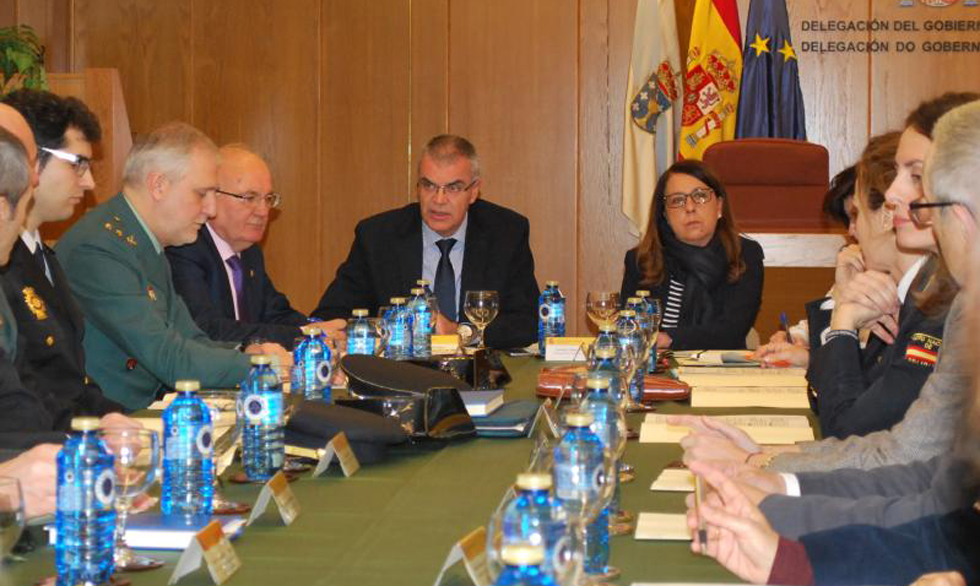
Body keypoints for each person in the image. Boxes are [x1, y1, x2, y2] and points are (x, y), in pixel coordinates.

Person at [679, 100, 980, 585]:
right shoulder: (964, 304)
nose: (897, 195)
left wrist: (770, 480)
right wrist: (775, 496)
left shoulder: (953, 307)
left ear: (960, 205)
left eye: (917, 176)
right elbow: (936, 487)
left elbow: (857, 428)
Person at [56, 122, 287, 411]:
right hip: (111, 421)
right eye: (202, 194)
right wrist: (262, 365)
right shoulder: (99, 248)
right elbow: (170, 359)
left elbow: (189, 337)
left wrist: (248, 351)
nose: (211, 209)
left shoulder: (146, 241)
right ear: (159, 186)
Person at [312, 134, 540, 349]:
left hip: (479, 370)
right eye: (429, 185)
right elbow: (332, 314)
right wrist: (388, 330)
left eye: (453, 188)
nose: (438, 200)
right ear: (417, 188)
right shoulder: (378, 237)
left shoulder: (505, 234)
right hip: (400, 371)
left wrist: (460, 332)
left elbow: (527, 322)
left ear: (473, 192)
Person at [803, 132, 945, 439]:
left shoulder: (933, 306)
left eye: (856, 214)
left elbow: (847, 429)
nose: (852, 231)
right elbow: (827, 397)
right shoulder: (906, 293)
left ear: (887, 217)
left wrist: (842, 321)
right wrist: (842, 305)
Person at [0, 89, 127, 431]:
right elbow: (24, 393)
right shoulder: (7, 264)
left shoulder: (43, 256)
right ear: (31, 160)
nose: (89, 182)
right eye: (77, 164)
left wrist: (113, 419)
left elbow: (71, 380)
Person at [167, 144, 345, 349]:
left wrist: (319, 329)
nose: (263, 211)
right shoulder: (186, 248)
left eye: (268, 199)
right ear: (212, 196)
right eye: (249, 198)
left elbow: (276, 314)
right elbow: (208, 329)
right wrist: (303, 335)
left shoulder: (250, 252)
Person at [620, 159, 764, 350]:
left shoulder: (744, 255)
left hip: (722, 366)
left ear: (719, 206)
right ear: (665, 215)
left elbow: (732, 330)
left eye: (700, 196)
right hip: (659, 366)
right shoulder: (642, 260)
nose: (689, 207)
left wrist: (669, 338)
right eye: (677, 200)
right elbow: (631, 327)